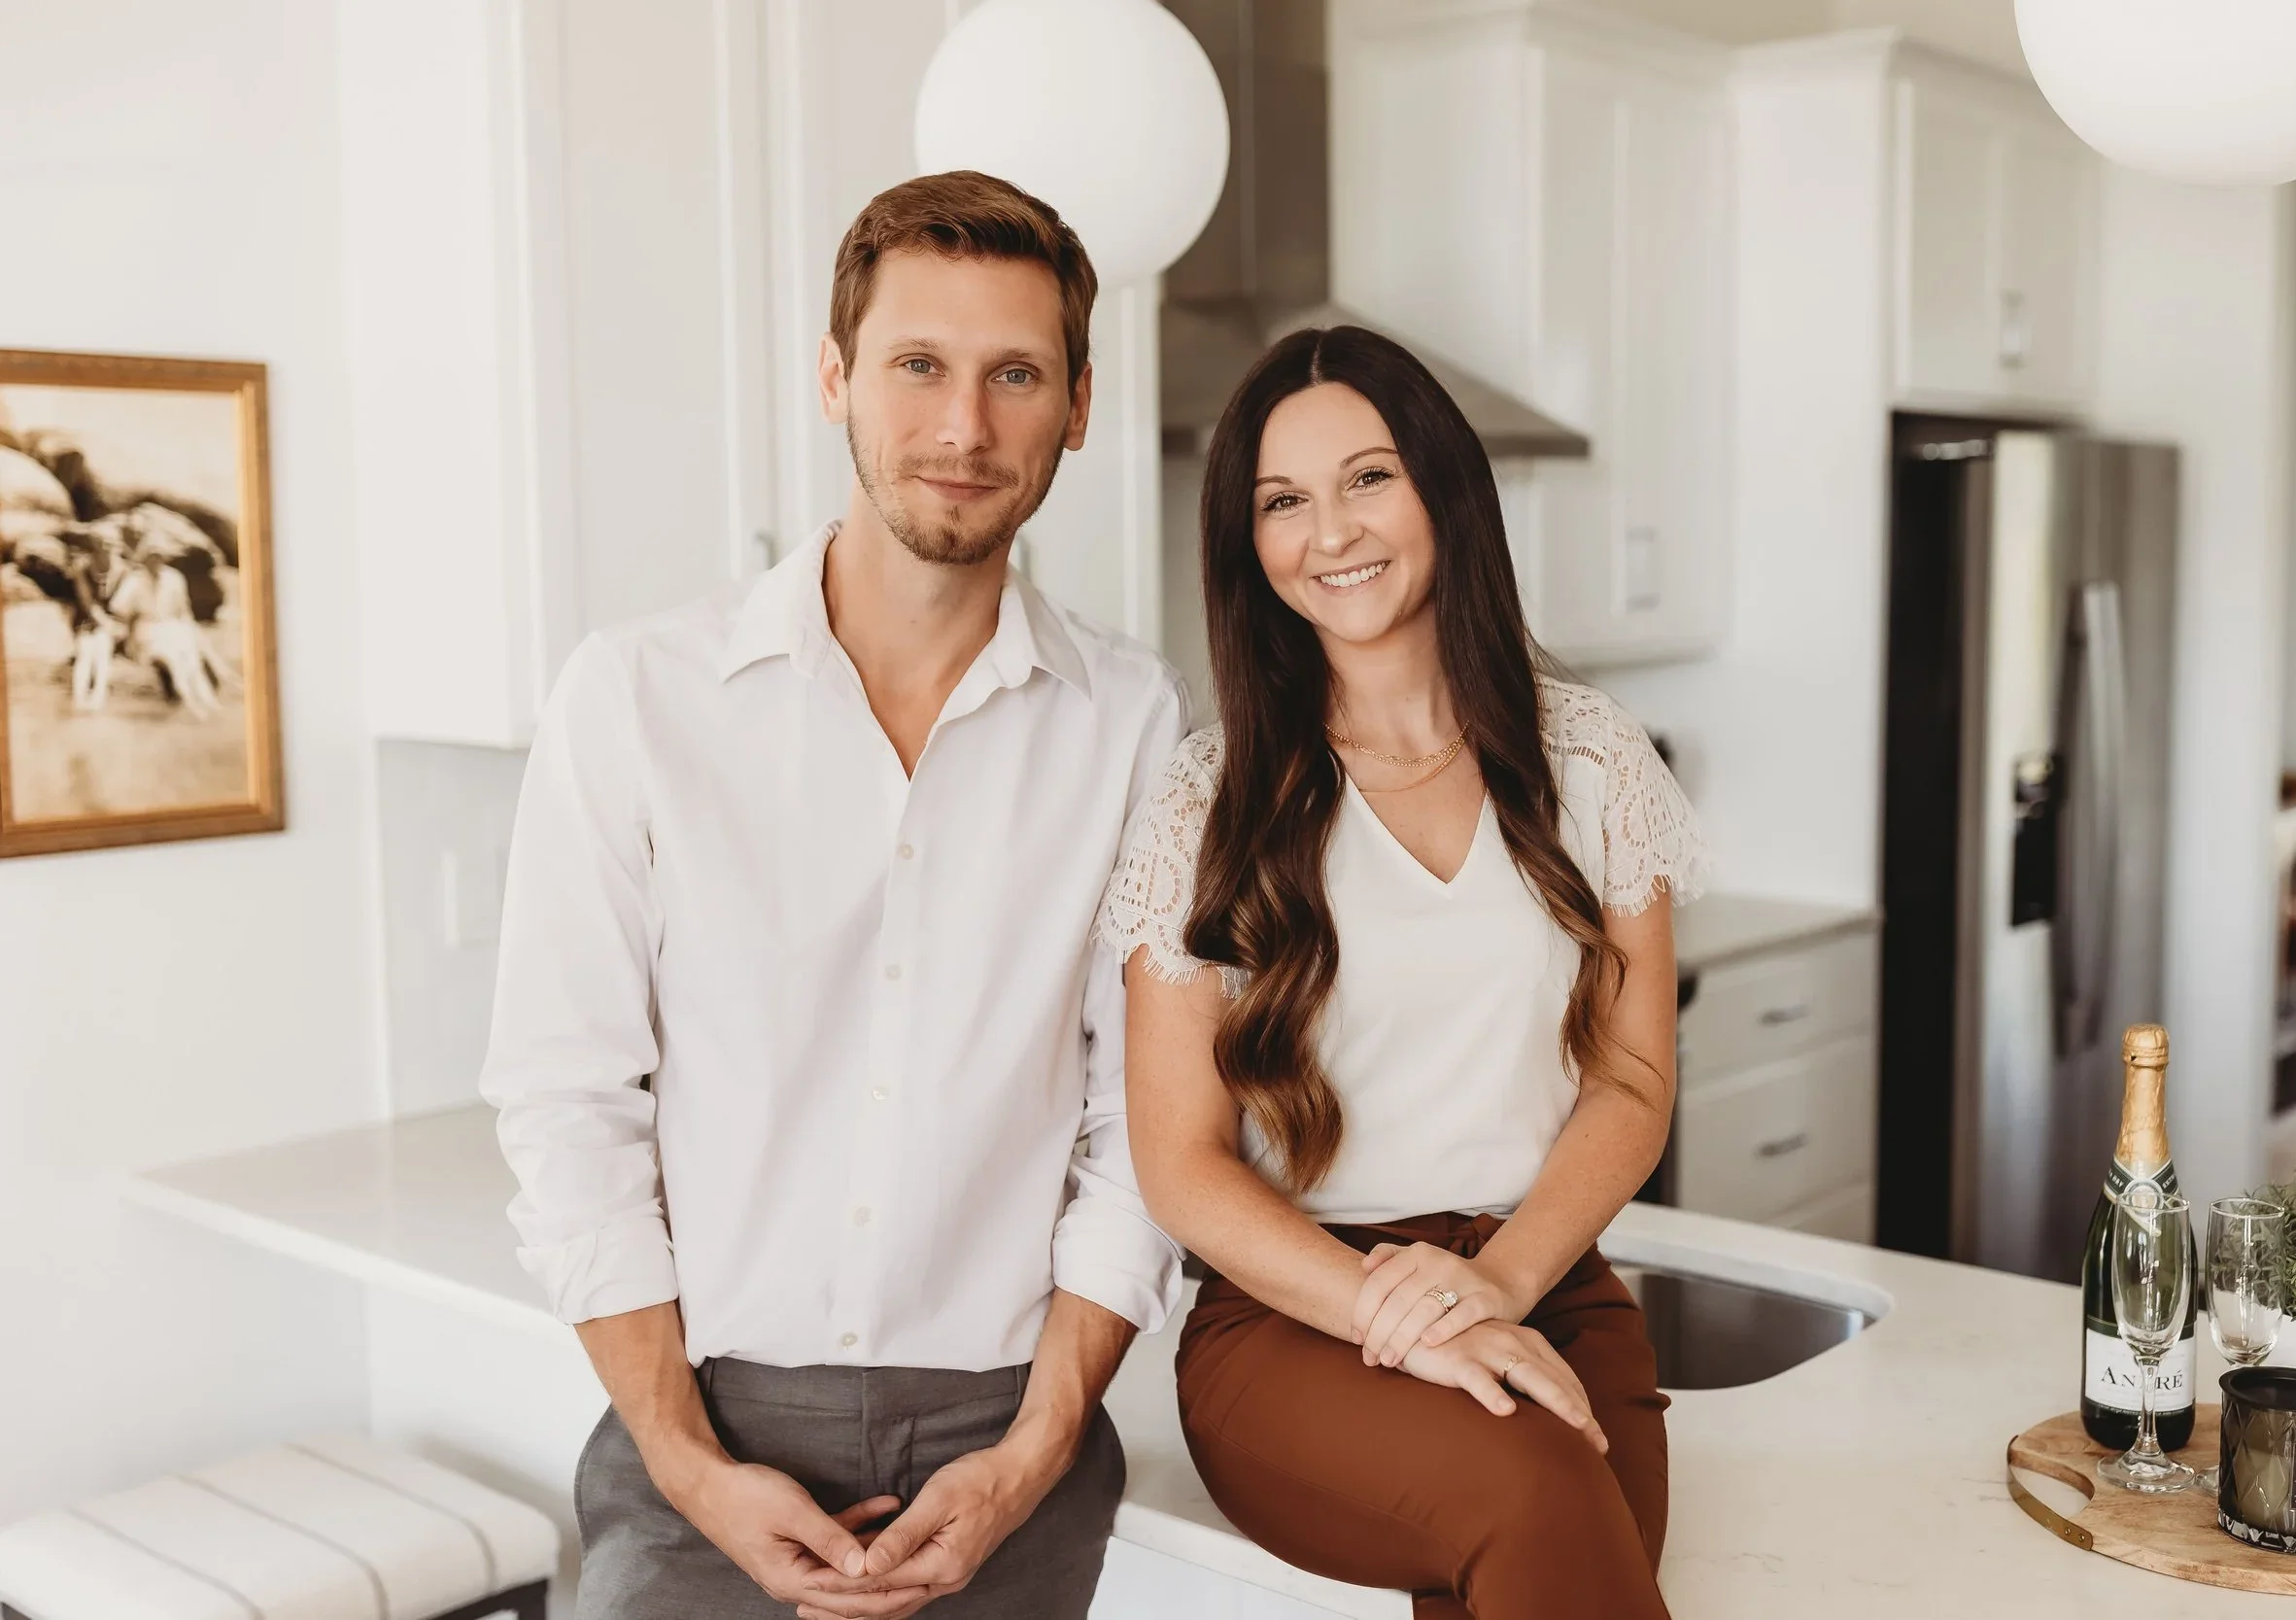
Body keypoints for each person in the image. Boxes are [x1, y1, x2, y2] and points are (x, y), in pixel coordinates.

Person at [481, 172, 1187, 1620]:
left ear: (1081, 402)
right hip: (704, 1428)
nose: (962, 427)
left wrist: (1039, 1443)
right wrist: (685, 1456)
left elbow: (1146, 1122)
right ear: (832, 376)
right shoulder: (634, 698)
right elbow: (567, 1100)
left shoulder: (1133, 718)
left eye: (1016, 375)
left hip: (1014, 1435)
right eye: (917, 364)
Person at [1102, 326, 1707, 1620]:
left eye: (1368, 478)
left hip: (1546, 1284)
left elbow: (1633, 1078)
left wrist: (1496, 1285)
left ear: (1442, 488)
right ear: (1247, 543)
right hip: (1295, 1315)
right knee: (1539, 1494)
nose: (1331, 530)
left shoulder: (1592, 760)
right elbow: (1182, 1162)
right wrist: (1416, 1316)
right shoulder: (1204, 807)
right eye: (1283, 501)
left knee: (1545, 1542)